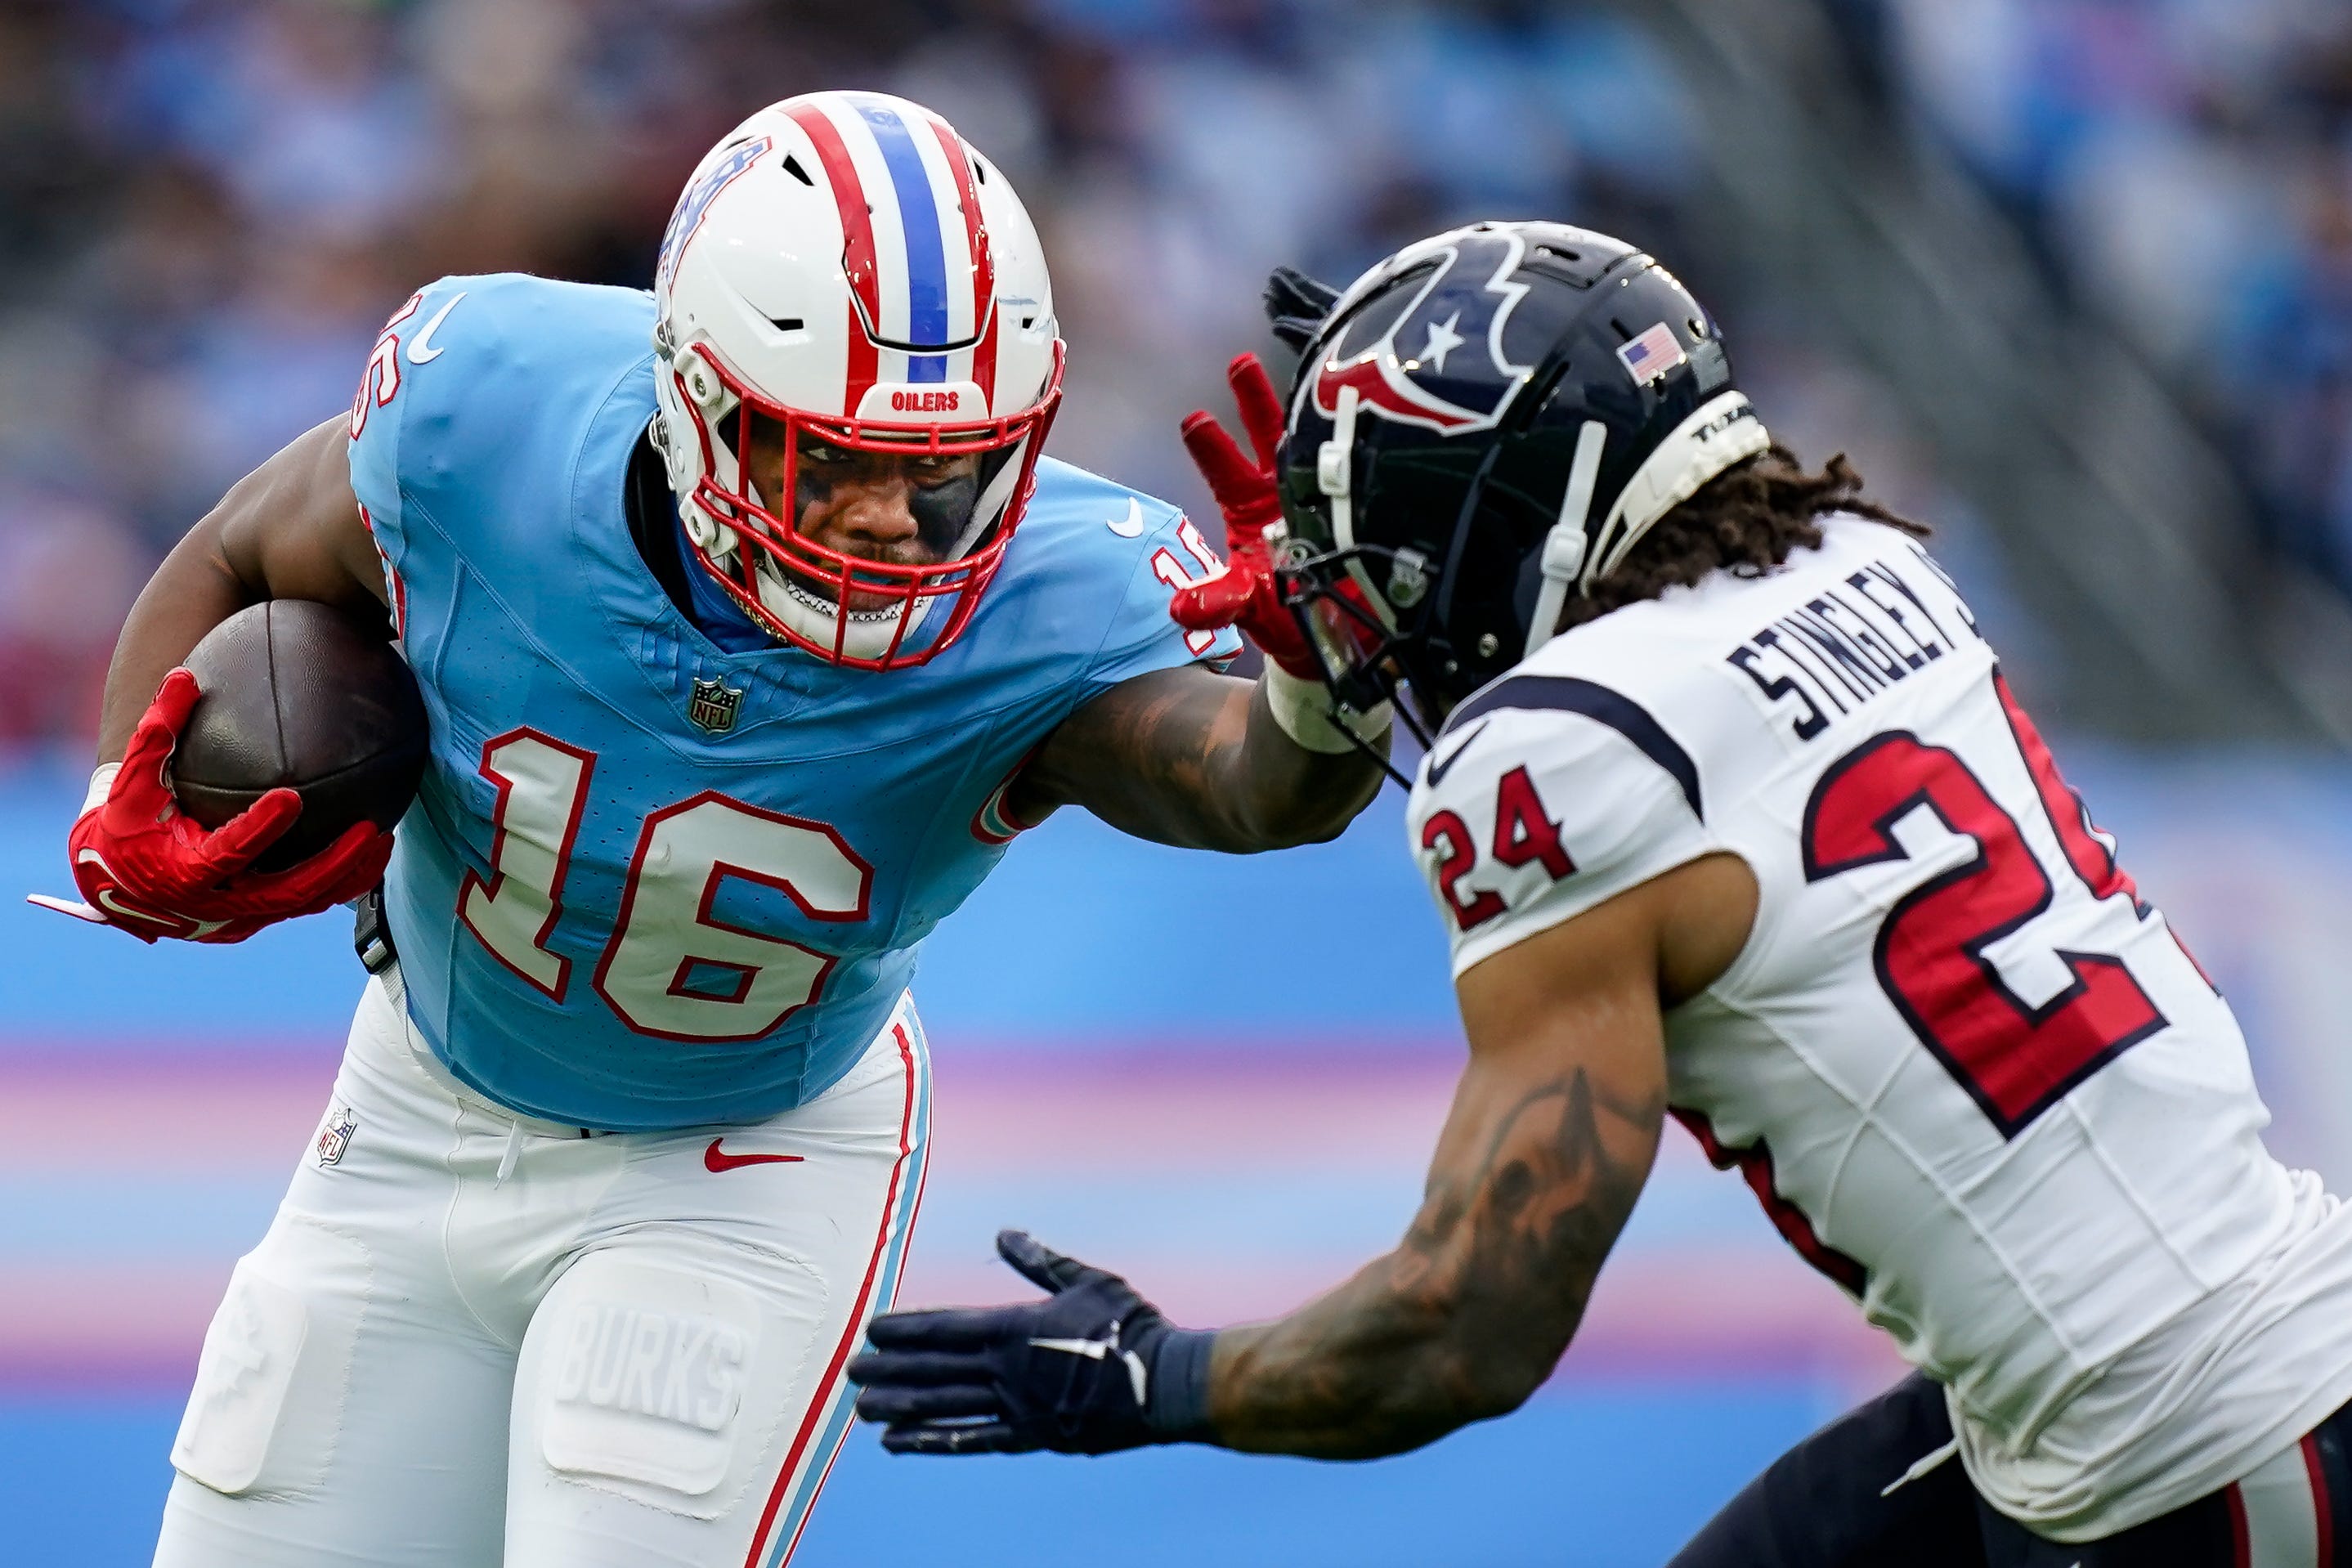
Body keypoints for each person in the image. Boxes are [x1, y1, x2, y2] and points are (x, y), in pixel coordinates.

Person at [845, 221, 2352, 1566]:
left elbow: (1468, 1327)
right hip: (2238, 1340)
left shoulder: (1561, 755)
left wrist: (1154, 1375)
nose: (1366, 609)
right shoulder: (1853, 556)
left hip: (2184, 1462)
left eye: (1386, 561)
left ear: (1524, 519)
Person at [40, 92, 1386, 1568]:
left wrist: (1323, 682)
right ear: (697, 399)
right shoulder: (491, 411)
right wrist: (126, 799)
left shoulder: (1052, 602)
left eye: (940, 469)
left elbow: (1258, 790)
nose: (890, 518)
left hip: (737, 1167)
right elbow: (244, 543)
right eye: (835, 460)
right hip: (414, 1107)